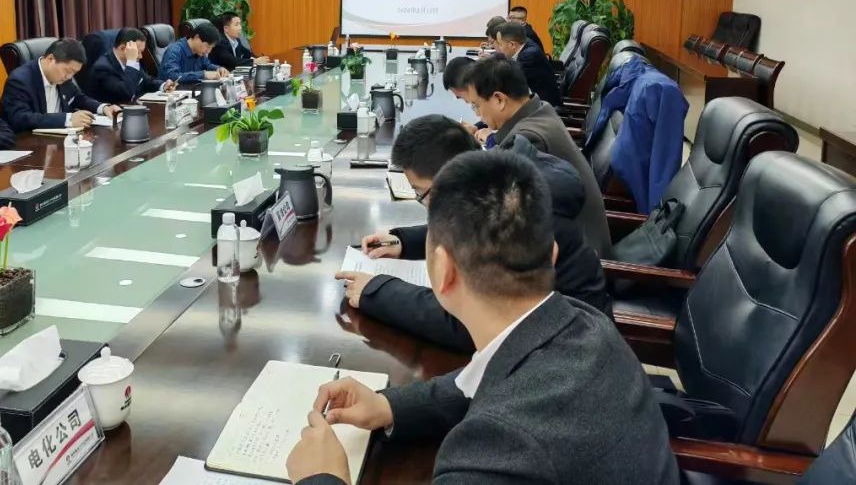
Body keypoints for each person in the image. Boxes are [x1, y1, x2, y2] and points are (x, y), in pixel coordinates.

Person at [287, 150, 678, 485]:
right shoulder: (583, 321)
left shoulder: (495, 450)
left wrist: (323, 477)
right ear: (552, 255)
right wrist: (389, 407)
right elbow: (480, 378)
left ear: (444, 271)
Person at [337, 115, 611, 354]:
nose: (426, 203)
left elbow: (465, 323)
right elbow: (465, 227)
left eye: (422, 193)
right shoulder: (497, 182)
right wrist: (404, 242)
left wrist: (377, 292)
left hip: (567, 353)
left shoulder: (516, 213)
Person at [463, 56, 612, 259]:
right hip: (578, 243)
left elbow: (497, 206)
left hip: (579, 260)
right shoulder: (540, 110)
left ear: (499, 100)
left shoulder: (528, 139)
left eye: (476, 106)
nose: (478, 115)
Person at [0, 38, 120, 132]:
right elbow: (20, 118)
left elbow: (77, 97)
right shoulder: (20, 80)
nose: (69, 77)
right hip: (30, 145)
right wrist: (67, 119)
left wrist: (103, 108)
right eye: (68, 71)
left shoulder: (63, 77)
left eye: (74, 73)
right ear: (50, 59)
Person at [90, 28, 176, 104]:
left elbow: (145, 81)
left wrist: (163, 85)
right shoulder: (103, 68)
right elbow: (126, 93)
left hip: (134, 109)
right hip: (114, 113)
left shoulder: (131, 62)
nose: (141, 56)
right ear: (123, 49)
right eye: (137, 52)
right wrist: (132, 62)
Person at [495, 21, 562, 107]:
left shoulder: (529, 56)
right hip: (533, 101)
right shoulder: (524, 44)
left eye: (500, 44)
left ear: (512, 45)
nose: (499, 49)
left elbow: (508, 81)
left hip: (543, 108)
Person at [160, 22, 230, 84]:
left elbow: (207, 65)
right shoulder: (174, 51)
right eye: (208, 46)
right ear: (197, 37)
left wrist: (218, 69)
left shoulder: (199, 52)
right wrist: (203, 74)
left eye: (211, 48)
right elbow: (171, 76)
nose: (208, 51)